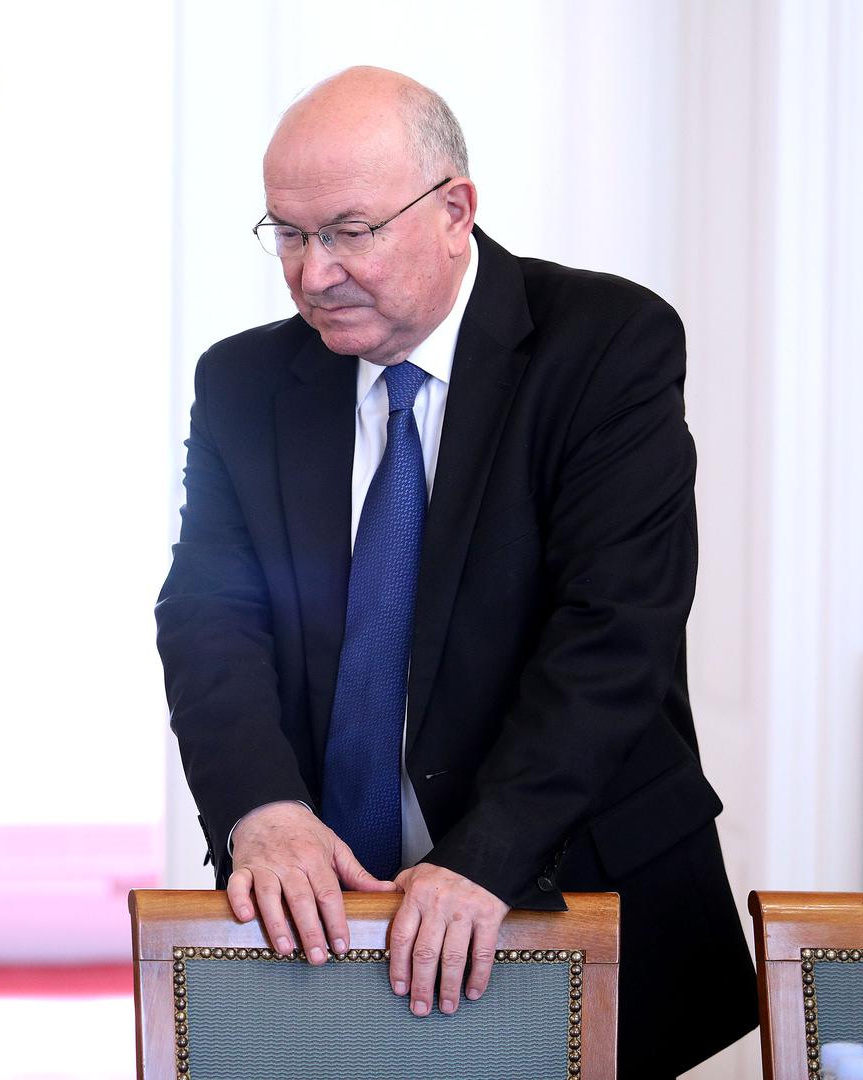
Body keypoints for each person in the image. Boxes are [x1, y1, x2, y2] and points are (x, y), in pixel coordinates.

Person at [155, 67, 754, 1075]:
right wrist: (259, 808)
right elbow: (208, 616)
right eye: (287, 235)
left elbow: (612, 631)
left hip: (567, 880)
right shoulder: (241, 383)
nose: (312, 274)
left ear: (452, 211)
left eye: (348, 232)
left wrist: (485, 857)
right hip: (326, 919)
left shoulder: (605, 344)